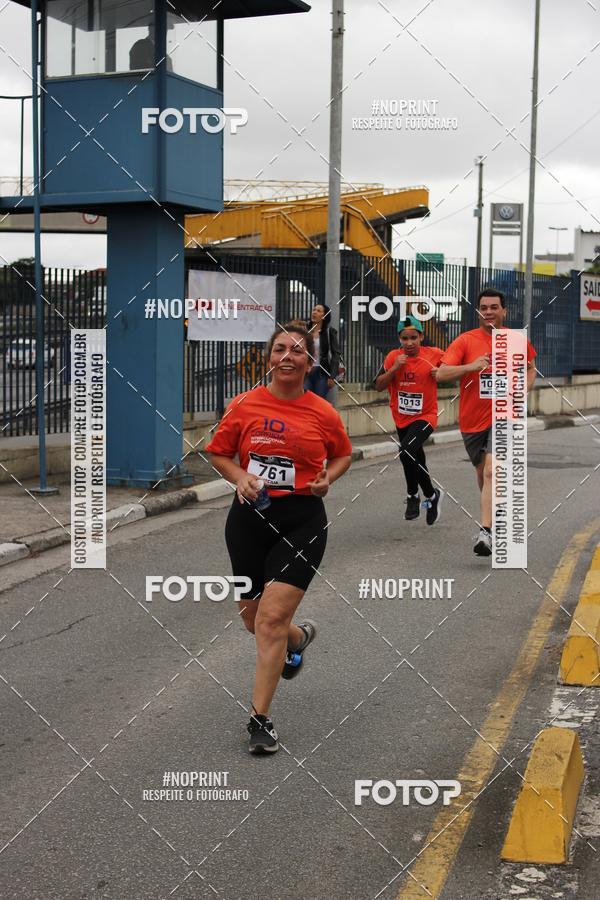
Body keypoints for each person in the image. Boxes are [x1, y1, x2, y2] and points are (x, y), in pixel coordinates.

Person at [206, 324, 352, 754]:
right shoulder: (243, 404)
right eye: (280, 349)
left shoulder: (323, 412)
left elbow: (342, 454)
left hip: (302, 521)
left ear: (309, 361)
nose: (288, 356)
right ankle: (298, 639)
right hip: (248, 519)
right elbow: (218, 453)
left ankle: (260, 720)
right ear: (270, 357)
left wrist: (327, 479)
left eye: (298, 350)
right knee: (252, 620)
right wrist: (239, 476)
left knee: (268, 621)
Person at [436, 288, 537, 556]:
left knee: (492, 471)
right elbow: (441, 374)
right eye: (484, 307)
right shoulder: (465, 341)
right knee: (483, 474)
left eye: (494, 307)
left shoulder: (516, 340)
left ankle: (486, 531)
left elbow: (530, 368)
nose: (489, 312)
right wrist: (470, 367)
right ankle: (496, 511)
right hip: (472, 421)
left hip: (505, 416)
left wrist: (524, 388)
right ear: (478, 311)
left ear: (504, 311)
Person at [374, 315, 443, 524]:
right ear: (399, 339)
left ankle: (413, 496)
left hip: (426, 416)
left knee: (406, 450)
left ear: (421, 336)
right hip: (402, 417)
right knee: (414, 457)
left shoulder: (434, 354)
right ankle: (432, 496)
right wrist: (394, 368)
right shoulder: (393, 357)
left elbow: (454, 367)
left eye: (414, 337)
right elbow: (378, 385)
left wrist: (442, 371)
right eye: (405, 338)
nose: (409, 343)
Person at [304, 304, 341, 400]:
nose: (314, 312)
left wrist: (332, 376)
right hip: (306, 372)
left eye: (319, 311)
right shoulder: (304, 330)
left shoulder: (329, 332)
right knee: (305, 399)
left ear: (324, 316)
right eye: (314, 310)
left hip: (322, 373)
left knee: (319, 400)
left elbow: (336, 354)